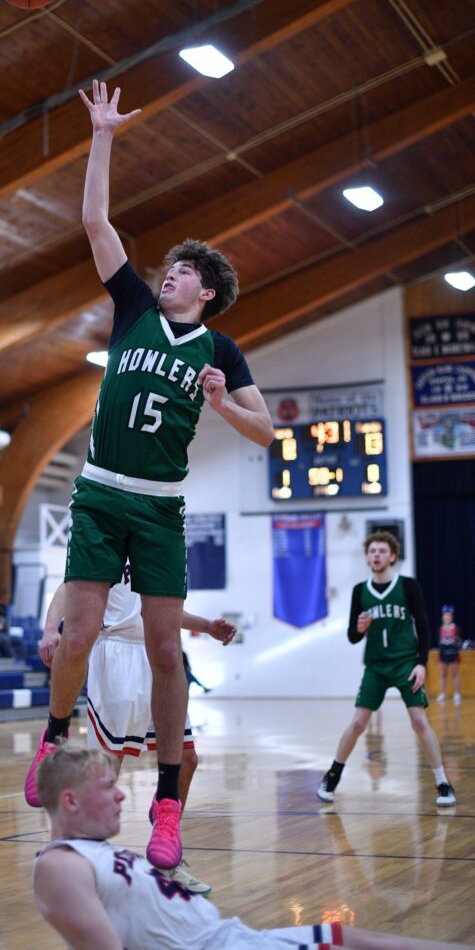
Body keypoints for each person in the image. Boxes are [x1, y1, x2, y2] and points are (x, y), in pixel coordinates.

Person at [25, 81, 274, 871]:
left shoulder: (220, 351)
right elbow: (96, 221)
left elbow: (267, 433)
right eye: (164, 269)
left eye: (179, 273)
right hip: (100, 491)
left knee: (168, 652)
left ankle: (166, 802)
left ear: (205, 291)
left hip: (161, 507)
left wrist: (221, 407)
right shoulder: (132, 306)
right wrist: (102, 135)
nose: (165, 274)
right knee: (80, 631)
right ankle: (52, 737)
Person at [33, 745, 472, 950]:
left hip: (236, 936)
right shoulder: (60, 866)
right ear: (69, 801)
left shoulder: (93, 850)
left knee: (364, 939)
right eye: (110, 787)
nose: (122, 796)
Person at [40, 572, 236, 894]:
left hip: (160, 655)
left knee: (187, 759)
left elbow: (160, 610)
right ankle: (76, 855)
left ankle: (167, 859)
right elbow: (69, 585)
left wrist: (206, 627)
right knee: (104, 769)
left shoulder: (161, 538)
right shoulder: (110, 532)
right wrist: (50, 629)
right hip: (116, 654)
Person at [317, 531, 456, 808]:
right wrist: (359, 629)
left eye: (382, 551)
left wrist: (420, 663)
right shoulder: (360, 591)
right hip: (376, 667)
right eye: (372, 551)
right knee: (358, 723)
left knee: (419, 721)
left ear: (392, 556)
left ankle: (443, 783)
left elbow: (425, 625)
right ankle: (332, 777)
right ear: (368, 557)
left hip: (405, 662)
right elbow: (352, 636)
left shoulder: (408, 586)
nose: (376, 555)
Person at [436, 605, 462, 704]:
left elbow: (459, 642)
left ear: (451, 617)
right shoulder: (440, 628)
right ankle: (442, 694)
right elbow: (440, 641)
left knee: (455, 674)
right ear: (443, 617)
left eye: (448, 615)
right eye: (445, 615)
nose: (446, 617)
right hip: (443, 654)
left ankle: (456, 694)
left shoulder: (456, 628)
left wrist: (456, 643)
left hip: (453, 653)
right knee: (442, 674)